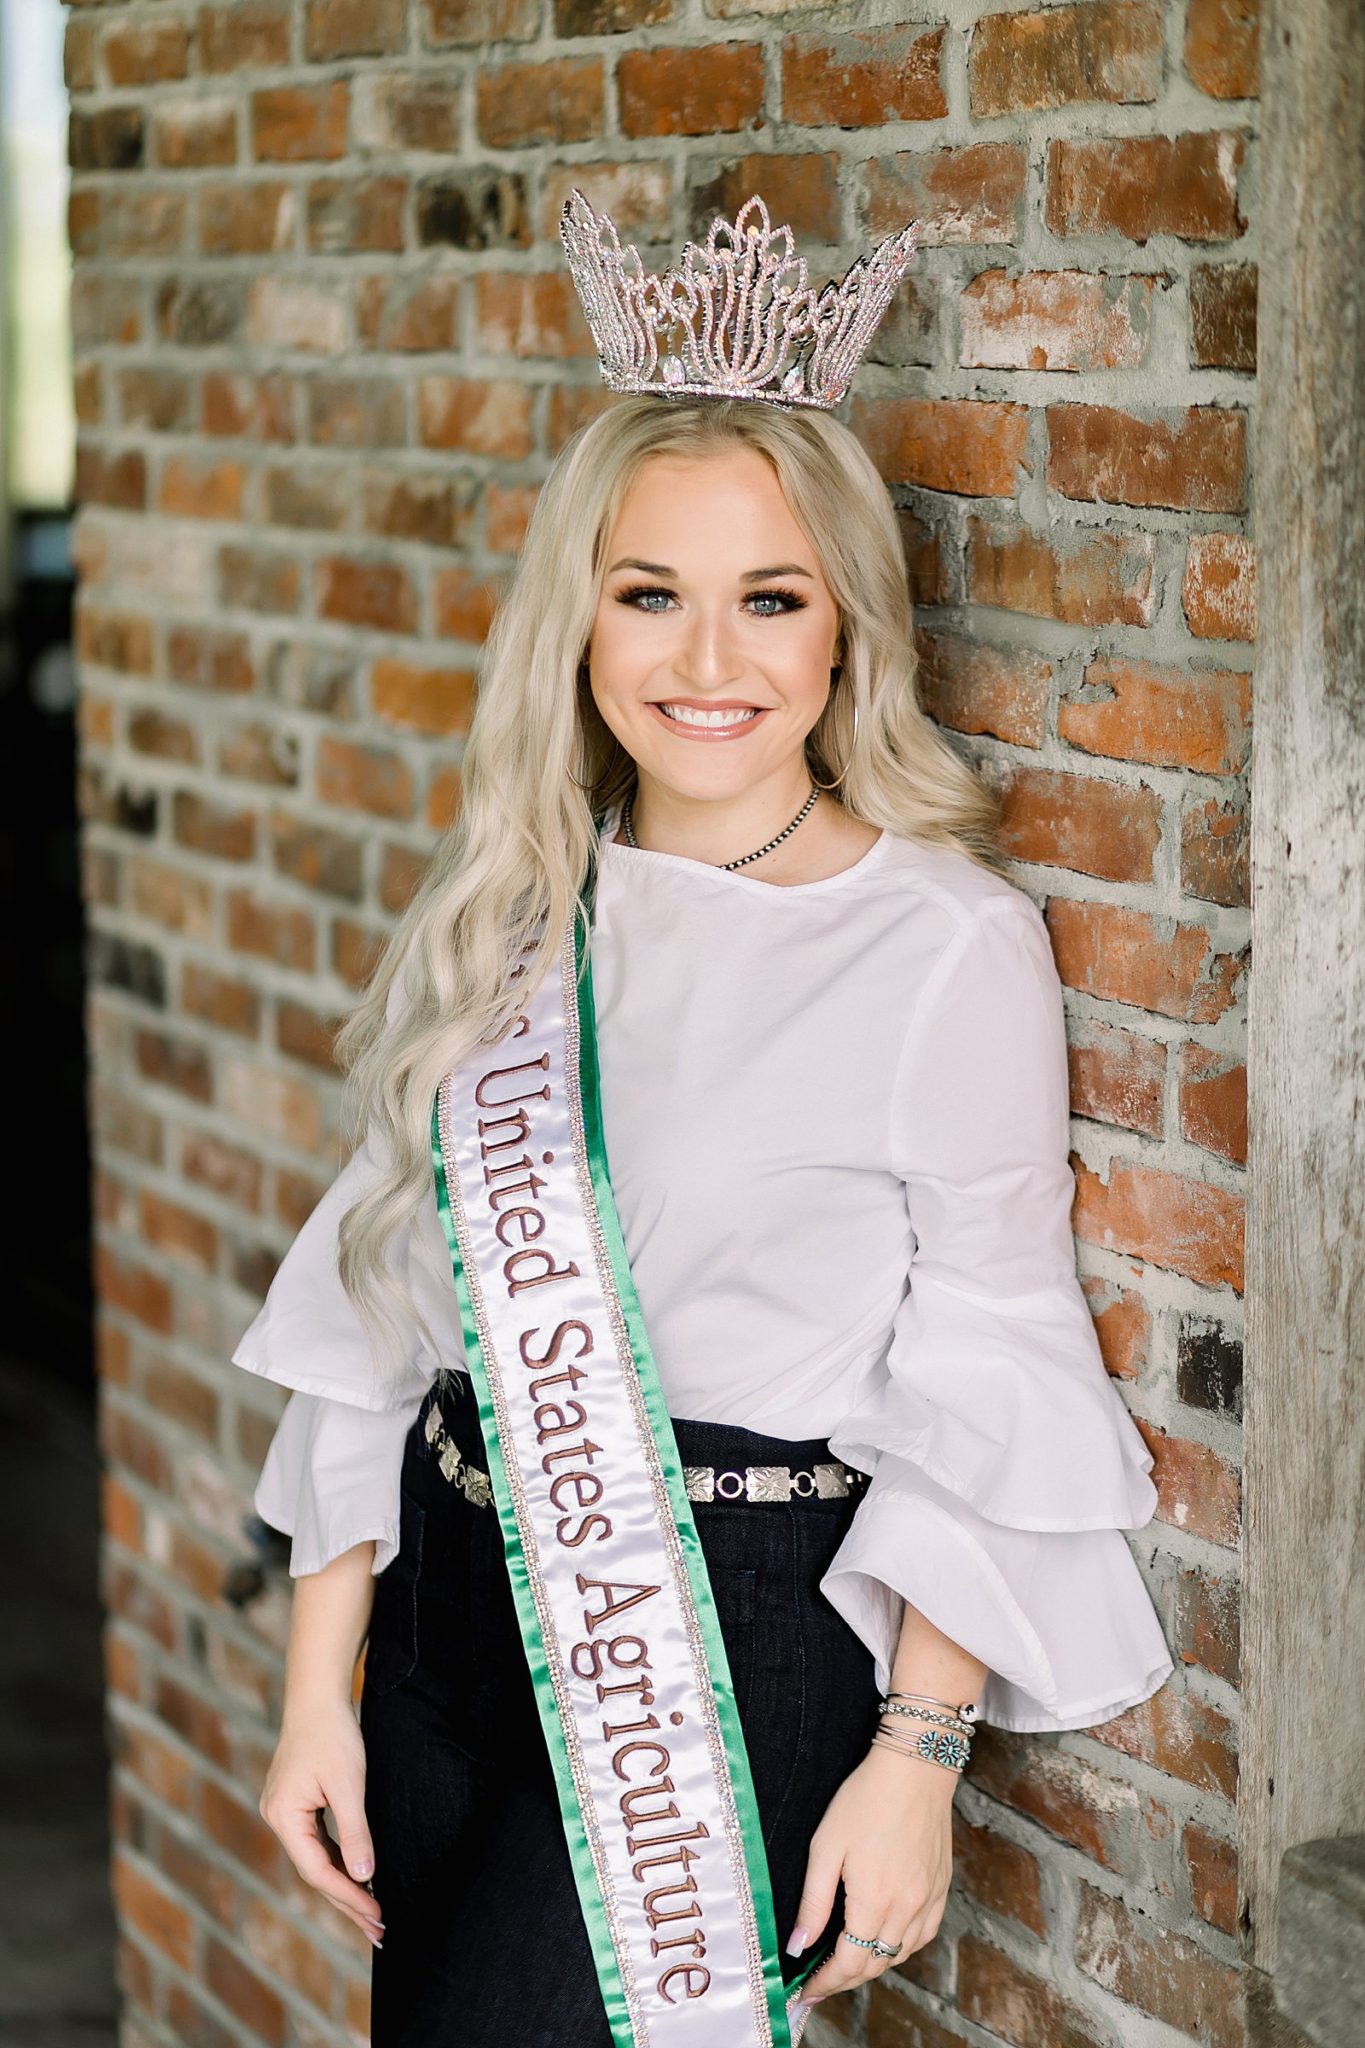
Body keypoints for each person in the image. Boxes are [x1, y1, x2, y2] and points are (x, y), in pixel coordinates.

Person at [235, 193, 1174, 2047]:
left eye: (771, 598)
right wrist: (314, 1689)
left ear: (846, 629)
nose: (706, 662)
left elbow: (993, 1354)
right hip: (445, 1607)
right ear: (578, 623)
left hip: (722, 1646)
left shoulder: (939, 945)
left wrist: (918, 1748)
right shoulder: (526, 902)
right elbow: (377, 1309)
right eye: (650, 594)